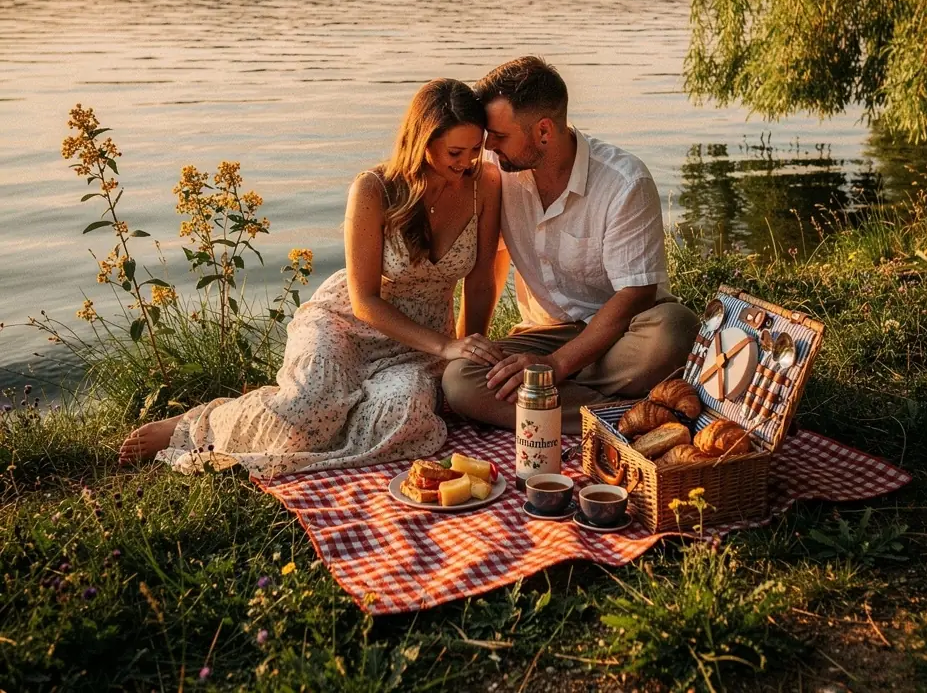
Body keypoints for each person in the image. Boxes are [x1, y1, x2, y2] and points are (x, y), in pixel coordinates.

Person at [118, 79, 503, 476]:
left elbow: (479, 283)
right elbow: (365, 301)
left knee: (403, 414)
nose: (467, 162)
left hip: (419, 344)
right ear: (421, 141)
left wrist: (464, 357)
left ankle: (334, 423)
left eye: (476, 149)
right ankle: (196, 425)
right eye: (455, 152)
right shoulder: (374, 188)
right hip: (347, 324)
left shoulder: (484, 185)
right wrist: (446, 346)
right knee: (306, 408)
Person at [442, 56, 698, 435]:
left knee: (675, 330)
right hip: (545, 336)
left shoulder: (624, 182)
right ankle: (627, 415)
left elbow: (636, 295)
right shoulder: (498, 174)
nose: (488, 146)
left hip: (624, 335)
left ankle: (553, 401)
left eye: (499, 136)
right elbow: (485, 274)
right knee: (460, 379)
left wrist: (557, 366)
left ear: (544, 131)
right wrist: (471, 348)